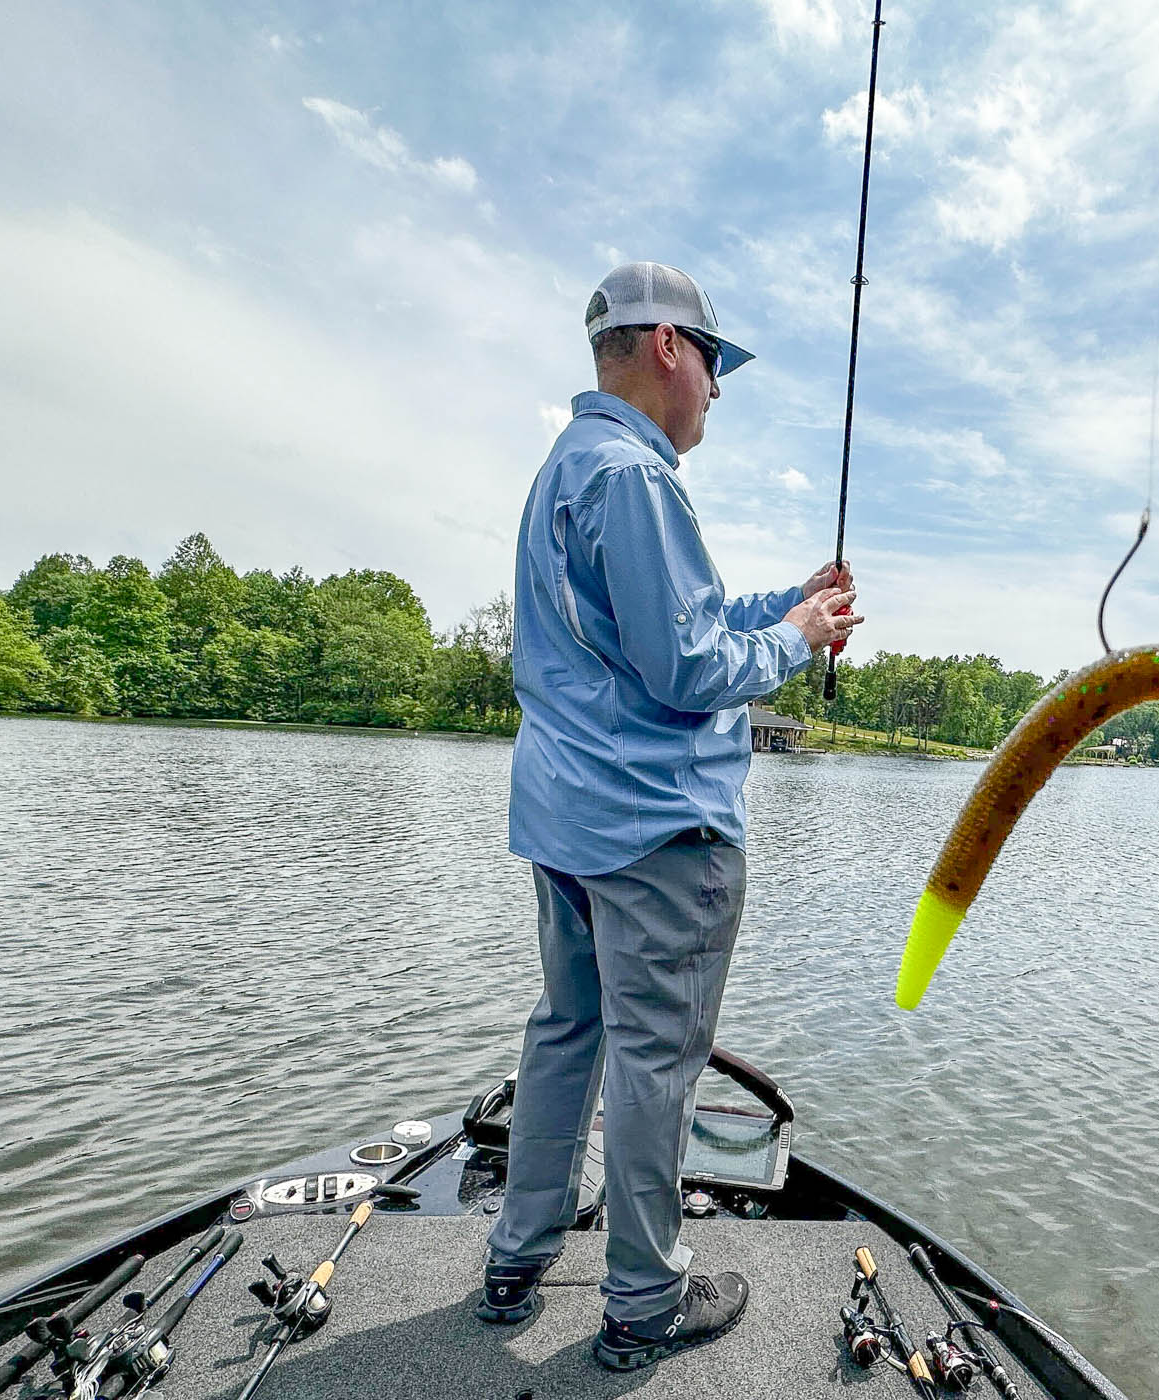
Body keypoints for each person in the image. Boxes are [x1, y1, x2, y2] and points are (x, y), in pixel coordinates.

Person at [479, 261, 863, 1372]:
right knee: (657, 1062)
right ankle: (644, 1295)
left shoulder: (568, 465)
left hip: (566, 820)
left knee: (566, 1031)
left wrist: (787, 605)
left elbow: (671, 617)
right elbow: (690, 662)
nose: (717, 391)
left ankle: (518, 1254)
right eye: (715, 364)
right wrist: (795, 641)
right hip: (655, 831)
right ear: (667, 349)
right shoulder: (637, 479)